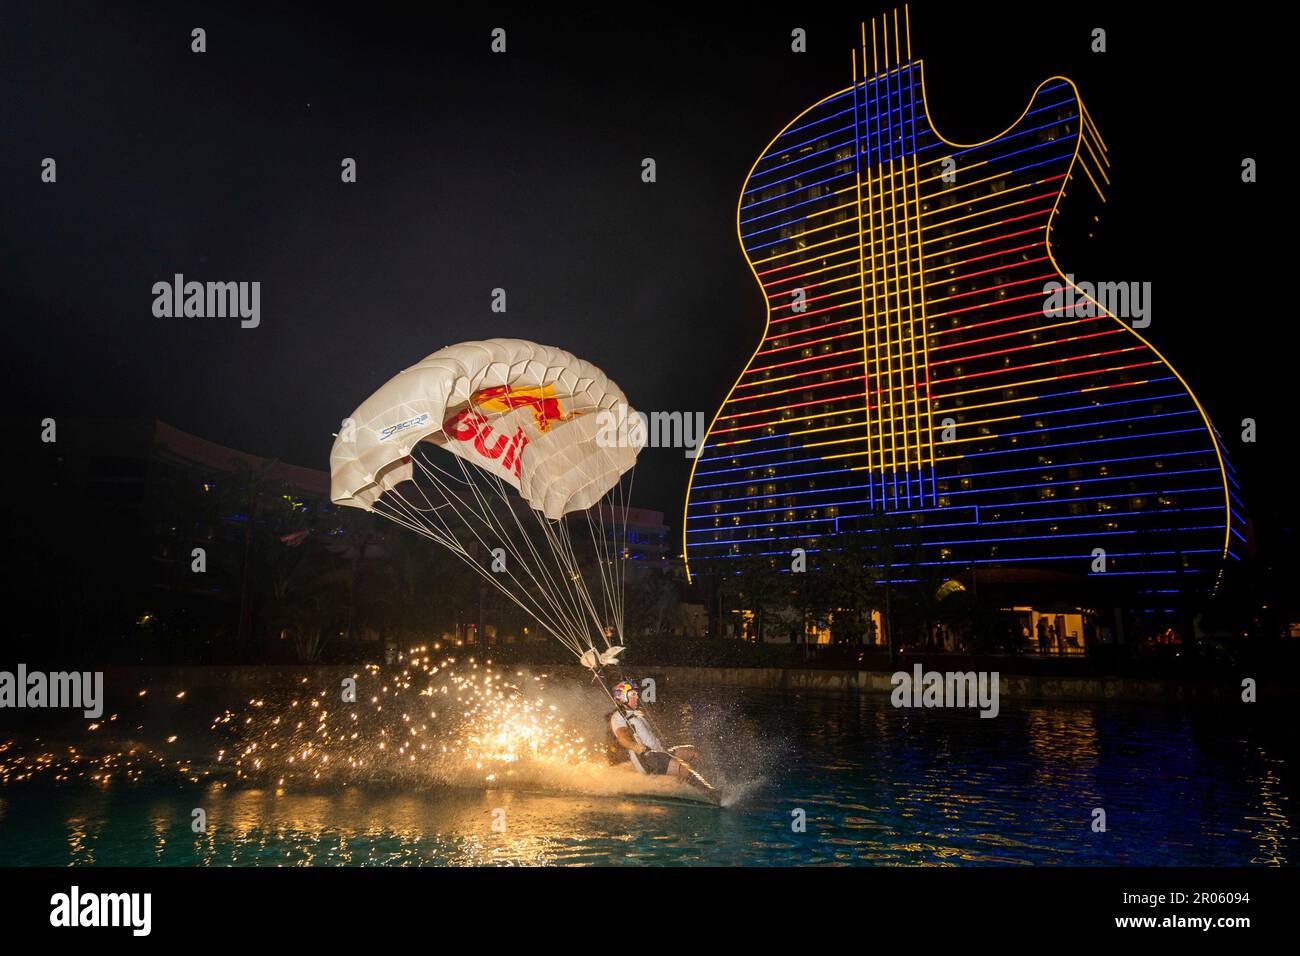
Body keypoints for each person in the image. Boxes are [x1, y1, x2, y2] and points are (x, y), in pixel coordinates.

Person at [607, 680, 702, 783]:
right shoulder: (618, 717)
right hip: (649, 759)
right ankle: (710, 794)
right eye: (633, 694)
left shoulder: (636, 714)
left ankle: (688, 784)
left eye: (637, 694)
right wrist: (635, 746)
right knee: (685, 769)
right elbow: (622, 738)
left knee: (694, 753)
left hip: (660, 751)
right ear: (623, 697)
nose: (637, 697)